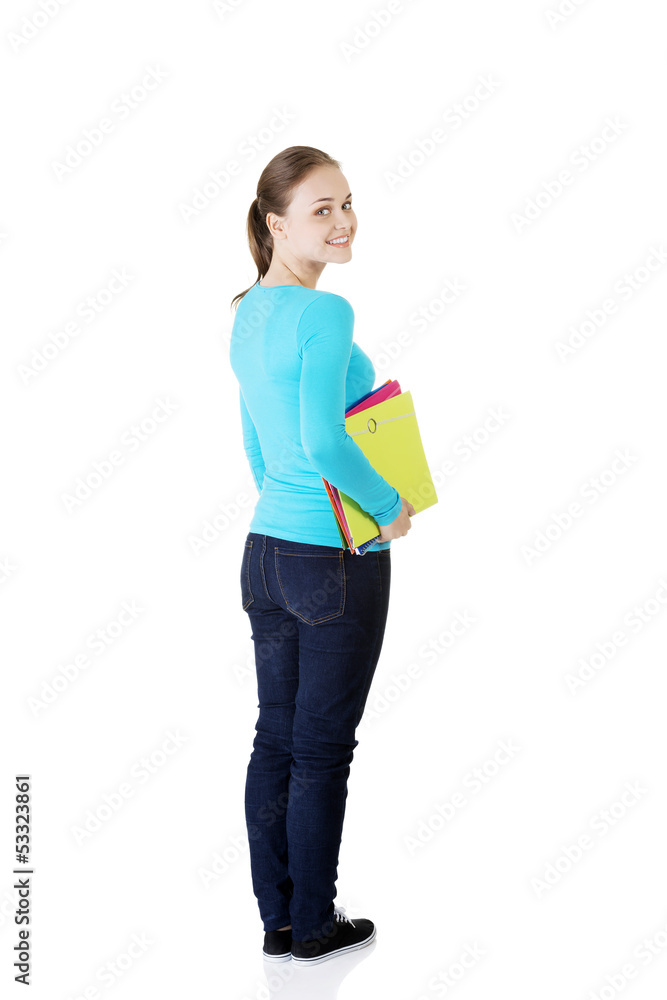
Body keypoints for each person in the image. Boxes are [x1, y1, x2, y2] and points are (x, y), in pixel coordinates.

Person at [229, 145, 415, 967]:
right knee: (319, 748)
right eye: (320, 209)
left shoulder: (246, 311)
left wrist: (283, 500)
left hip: (265, 551)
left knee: (276, 738)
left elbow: (260, 442)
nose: (342, 223)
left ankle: (278, 919)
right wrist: (385, 507)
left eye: (346, 204)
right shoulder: (323, 313)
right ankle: (312, 925)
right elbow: (317, 436)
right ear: (276, 224)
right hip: (334, 556)